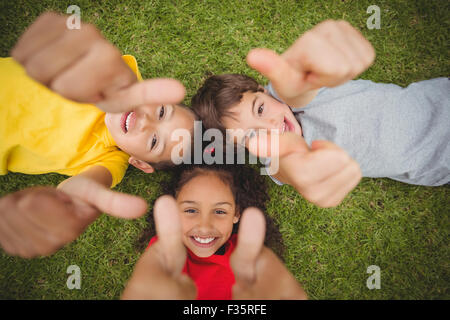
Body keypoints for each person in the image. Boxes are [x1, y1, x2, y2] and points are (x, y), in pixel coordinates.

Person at [191, 20, 449, 208]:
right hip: (437, 164)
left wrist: (296, 82)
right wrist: (297, 170)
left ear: (263, 90)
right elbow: (288, 170)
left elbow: (298, 92)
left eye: (260, 108)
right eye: (252, 136)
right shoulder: (276, 159)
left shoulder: (290, 93)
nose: (270, 126)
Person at [0, 12, 196, 258]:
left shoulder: (109, 160)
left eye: (155, 141)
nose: (146, 122)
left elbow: (90, 184)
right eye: (161, 111)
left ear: (139, 163)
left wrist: (71, 199)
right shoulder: (117, 81)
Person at [121, 161, 307, 300]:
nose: (204, 226)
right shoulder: (165, 252)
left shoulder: (251, 259)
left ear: (237, 213)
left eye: (219, 211)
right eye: (191, 210)